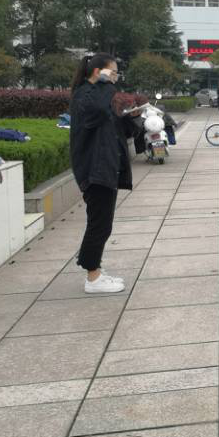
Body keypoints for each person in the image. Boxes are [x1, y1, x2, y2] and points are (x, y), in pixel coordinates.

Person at [69, 54, 139, 294]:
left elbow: (114, 124)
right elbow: (97, 112)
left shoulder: (98, 93)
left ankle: (95, 268)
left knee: (102, 223)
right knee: (99, 225)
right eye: (113, 72)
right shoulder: (85, 94)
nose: (116, 77)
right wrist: (105, 83)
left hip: (105, 167)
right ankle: (93, 278)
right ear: (98, 72)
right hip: (94, 168)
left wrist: (132, 117)